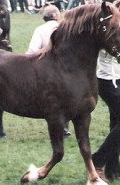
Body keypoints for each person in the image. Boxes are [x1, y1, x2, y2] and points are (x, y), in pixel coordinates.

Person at [92, 0, 120, 182]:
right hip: (106, 82)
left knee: (116, 127)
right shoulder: (107, 31)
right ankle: (97, 160)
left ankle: (113, 172)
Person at [26, 5, 71, 138]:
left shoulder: (39, 30)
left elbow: (32, 51)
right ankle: (64, 128)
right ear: (56, 16)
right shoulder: (64, 29)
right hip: (64, 70)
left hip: (45, 71)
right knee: (66, 98)